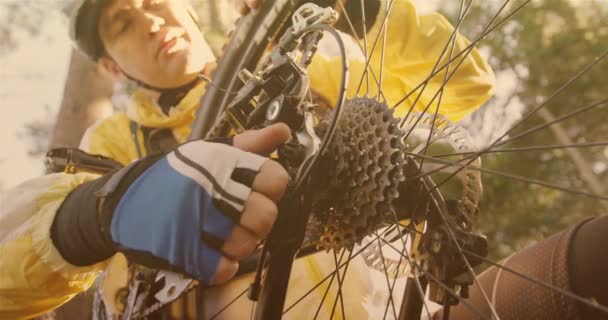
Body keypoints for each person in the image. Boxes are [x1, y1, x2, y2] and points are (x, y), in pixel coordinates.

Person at [0, 0, 495, 319]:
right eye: (123, 23)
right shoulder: (114, 140)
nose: (150, 21)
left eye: (153, 1)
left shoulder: (303, 60)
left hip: (393, 304)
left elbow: (467, 82)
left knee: (572, 267)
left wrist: (360, 10)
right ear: (111, 66)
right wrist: (96, 214)